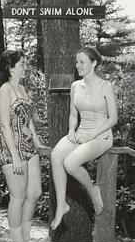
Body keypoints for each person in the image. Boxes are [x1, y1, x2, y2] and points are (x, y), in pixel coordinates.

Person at [50, 47, 118, 230]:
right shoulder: (75, 86)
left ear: (94, 63)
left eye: (82, 62)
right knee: (56, 155)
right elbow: (73, 114)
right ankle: (61, 205)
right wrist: (72, 130)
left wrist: (92, 134)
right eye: (77, 62)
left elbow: (113, 118)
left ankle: (93, 191)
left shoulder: (105, 86)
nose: (78, 65)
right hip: (81, 132)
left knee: (70, 163)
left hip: (101, 136)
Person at [0, 49, 48, 242]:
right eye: (22, 64)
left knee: (34, 193)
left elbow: (28, 120)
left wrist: (36, 141)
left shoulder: (22, 89)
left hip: (28, 146)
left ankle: (26, 239)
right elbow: (5, 126)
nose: (25, 66)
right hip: (12, 149)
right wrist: (15, 156)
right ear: (10, 68)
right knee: (17, 196)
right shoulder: (4, 91)